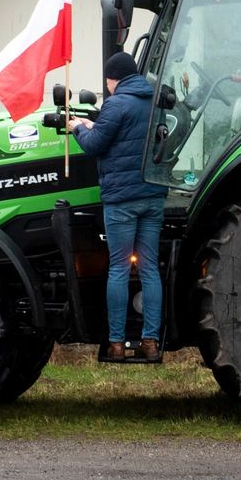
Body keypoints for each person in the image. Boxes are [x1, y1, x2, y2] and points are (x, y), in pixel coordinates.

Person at [68, 51, 168, 361]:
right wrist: (93, 123)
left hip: (122, 202)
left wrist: (77, 128)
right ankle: (150, 343)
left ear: (114, 79)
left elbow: (96, 145)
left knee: (120, 269)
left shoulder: (115, 103)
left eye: (108, 82)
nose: (108, 87)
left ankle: (116, 343)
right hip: (152, 197)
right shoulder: (155, 102)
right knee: (150, 269)